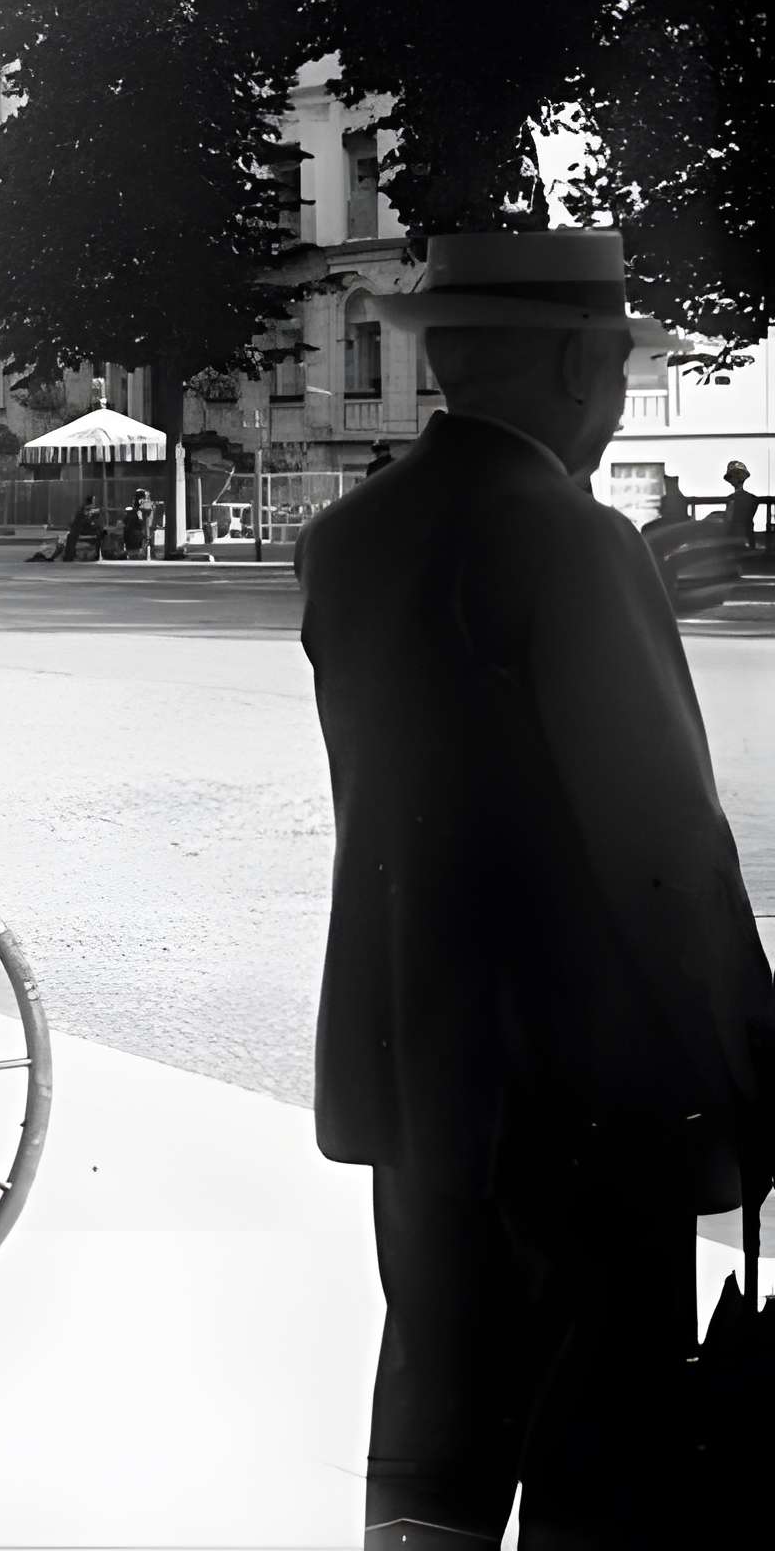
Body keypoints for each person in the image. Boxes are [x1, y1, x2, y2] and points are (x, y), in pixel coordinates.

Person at [295, 231, 772, 1544]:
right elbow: (664, 851)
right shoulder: (576, 539)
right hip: (586, 1096)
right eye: (618, 365)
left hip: (416, 1075)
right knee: (598, 1446)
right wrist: (752, 1060)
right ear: (580, 362)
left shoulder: (348, 540)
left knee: (435, 1434)